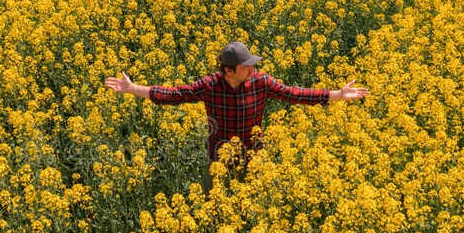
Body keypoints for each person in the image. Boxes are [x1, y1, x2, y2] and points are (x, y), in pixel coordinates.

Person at [103, 41, 368, 167]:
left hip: (254, 156)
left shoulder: (261, 82)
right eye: (247, 65)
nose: (253, 68)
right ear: (229, 70)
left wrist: (336, 95)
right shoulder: (209, 86)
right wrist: (132, 88)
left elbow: (295, 94)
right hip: (218, 158)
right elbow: (172, 95)